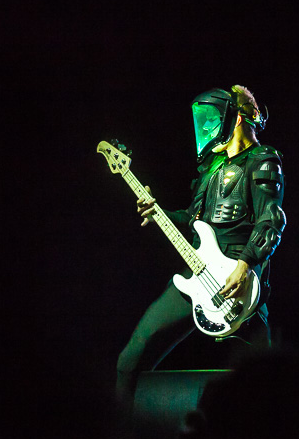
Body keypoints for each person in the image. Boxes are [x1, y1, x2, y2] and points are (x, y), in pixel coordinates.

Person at [116, 85, 286, 406]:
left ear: (235, 118)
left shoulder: (263, 160)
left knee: (266, 383)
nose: (205, 127)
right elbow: (193, 219)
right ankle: (121, 429)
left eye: (212, 119)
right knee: (131, 359)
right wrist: (159, 212)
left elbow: (271, 220)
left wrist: (245, 265)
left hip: (239, 283)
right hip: (196, 276)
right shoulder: (211, 168)